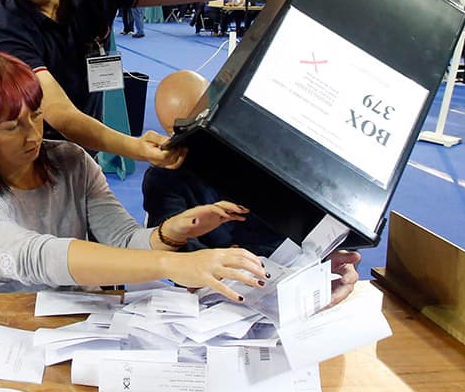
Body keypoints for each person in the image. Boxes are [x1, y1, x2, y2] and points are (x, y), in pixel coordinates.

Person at [0, 0, 314, 167]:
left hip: (83, 153)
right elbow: (61, 114)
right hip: (26, 158)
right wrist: (134, 147)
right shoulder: (7, 30)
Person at [0, 52, 267, 299]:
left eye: (36, 117)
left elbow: (123, 239)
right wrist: (171, 266)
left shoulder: (71, 161)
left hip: (75, 315)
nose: (33, 136)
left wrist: (171, 233)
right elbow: (34, 258)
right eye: (12, 127)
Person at [140, 69, 361, 305]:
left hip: (291, 288)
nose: (197, 142)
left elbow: (314, 224)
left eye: (202, 125)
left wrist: (330, 257)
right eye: (182, 133)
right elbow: (172, 252)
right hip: (216, 300)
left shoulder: (268, 151)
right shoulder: (164, 178)